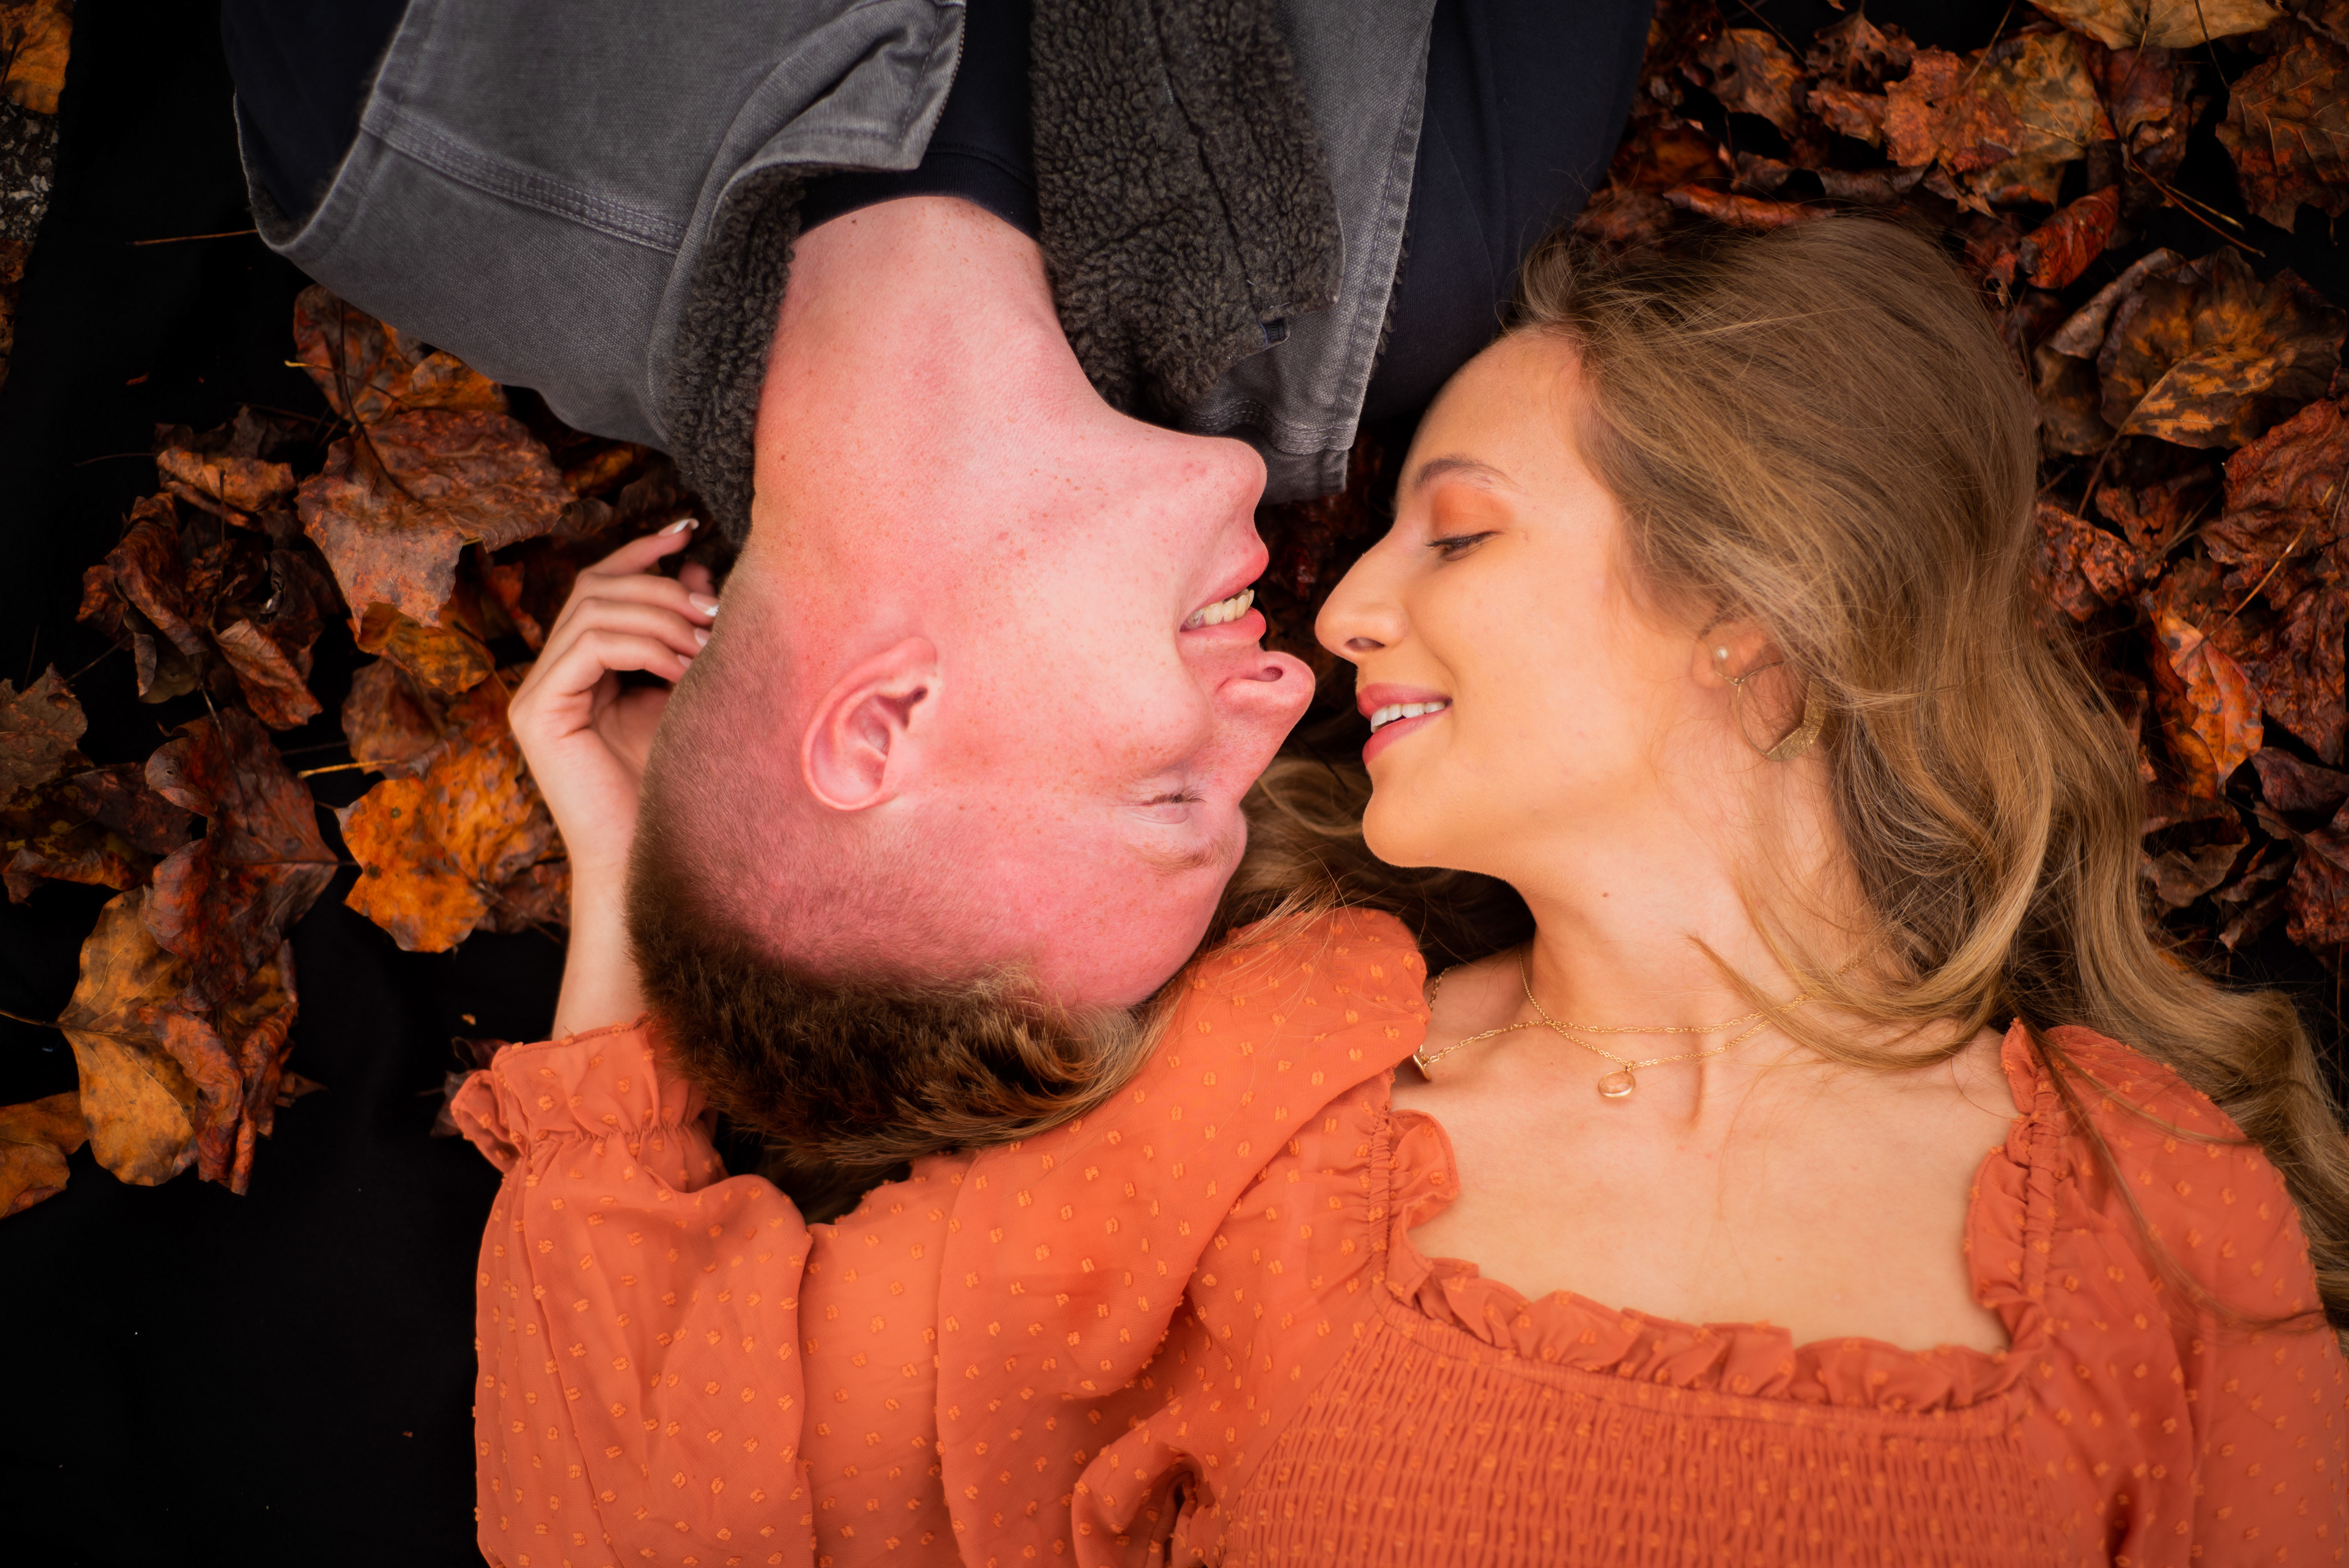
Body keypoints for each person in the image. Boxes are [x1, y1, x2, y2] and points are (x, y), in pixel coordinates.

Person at [466, 217, 2349, 1564]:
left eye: (1458, 534)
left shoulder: (2158, 1207)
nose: (1350, 608)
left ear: (1757, 622)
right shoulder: (1284, 1076)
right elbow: (680, 1490)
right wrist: (633, 871)